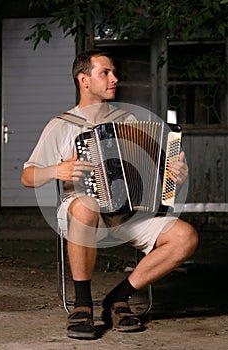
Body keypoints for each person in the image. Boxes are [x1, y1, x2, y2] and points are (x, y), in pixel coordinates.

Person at [21, 49, 198, 340]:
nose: (115, 78)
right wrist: (57, 170)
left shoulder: (128, 120)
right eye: (106, 73)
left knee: (185, 237)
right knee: (87, 203)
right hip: (82, 214)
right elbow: (28, 176)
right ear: (84, 80)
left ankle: (117, 297)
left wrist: (175, 172)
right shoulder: (62, 125)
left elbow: (155, 167)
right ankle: (82, 306)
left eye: (114, 72)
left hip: (127, 211)